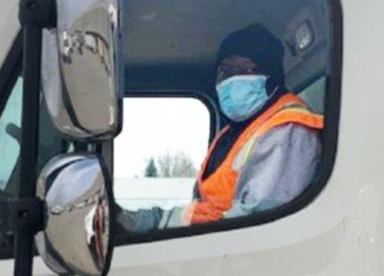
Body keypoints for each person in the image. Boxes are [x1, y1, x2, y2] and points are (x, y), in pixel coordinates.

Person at [118, 23, 323, 233]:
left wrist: (175, 224)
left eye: (247, 69)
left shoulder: (287, 129)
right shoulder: (231, 134)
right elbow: (204, 206)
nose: (233, 78)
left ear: (272, 76)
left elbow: (257, 223)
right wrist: (137, 222)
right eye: (225, 71)